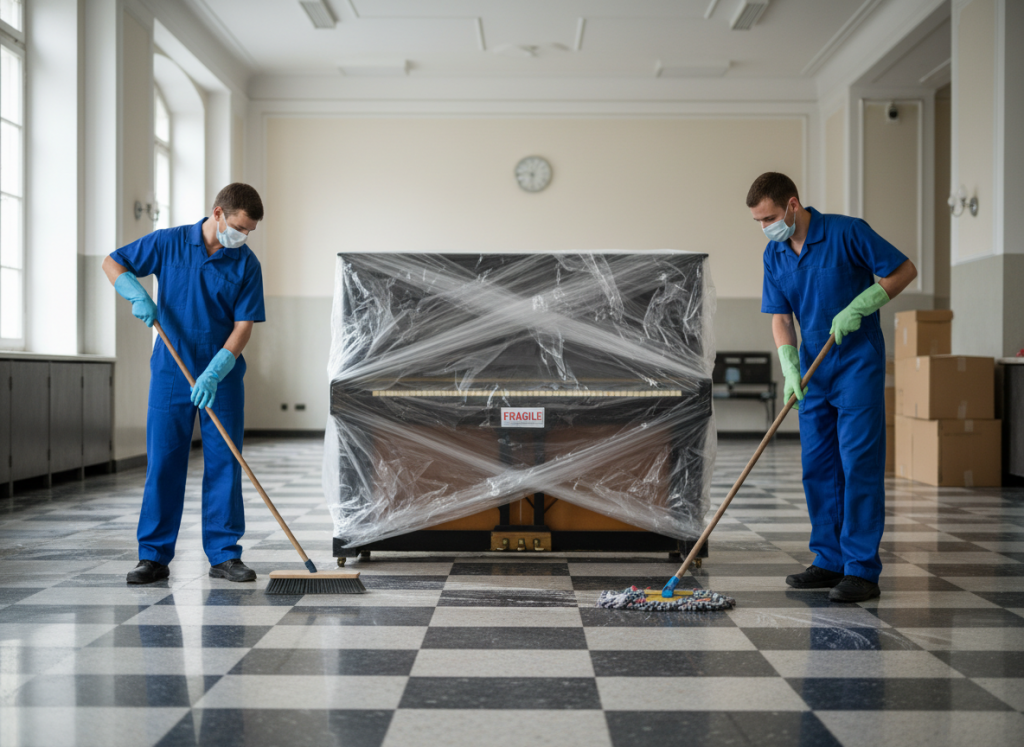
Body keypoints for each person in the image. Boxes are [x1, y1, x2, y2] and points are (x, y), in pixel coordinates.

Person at [748, 172, 917, 603]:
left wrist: (864, 303)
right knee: (818, 466)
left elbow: (903, 270)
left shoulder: (847, 232)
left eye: (768, 217)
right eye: (757, 222)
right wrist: (788, 362)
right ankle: (828, 560)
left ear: (792, 204)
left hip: (857, 365)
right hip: (812, 372)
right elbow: (781, 317)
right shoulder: (775, 254)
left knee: (858, 462)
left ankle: (861, 569)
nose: (765, 228)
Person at [103, 183, 266, 585]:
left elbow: (244, 326)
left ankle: (225, 555)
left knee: (225, 462)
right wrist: (135, 293)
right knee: (164, 461)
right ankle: (153, 557)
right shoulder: (169, 242)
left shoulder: (246, 264)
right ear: (218, 214)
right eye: (239, 227)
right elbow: (113, 262)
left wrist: (216, 369)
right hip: (171, 372)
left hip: (221, 375)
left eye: (249, 232)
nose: (242, 237)